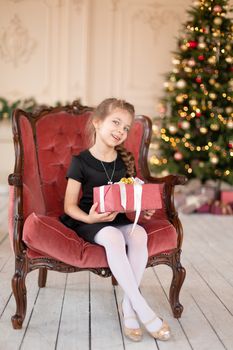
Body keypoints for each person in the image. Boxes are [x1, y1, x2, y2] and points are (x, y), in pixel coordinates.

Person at [60, 98, 170, 342]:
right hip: (90, 220)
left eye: (126, 128)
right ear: (97, 123)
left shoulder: (123, 162)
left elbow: (129, 198)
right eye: (116, 123)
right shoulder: (81, 161)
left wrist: (141, 209)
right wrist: (89, 218)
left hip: (117, 216)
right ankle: (143, 308)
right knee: (112, 236)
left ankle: (129, 307)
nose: (121, 131)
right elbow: (69, 206)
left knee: (138, 233)